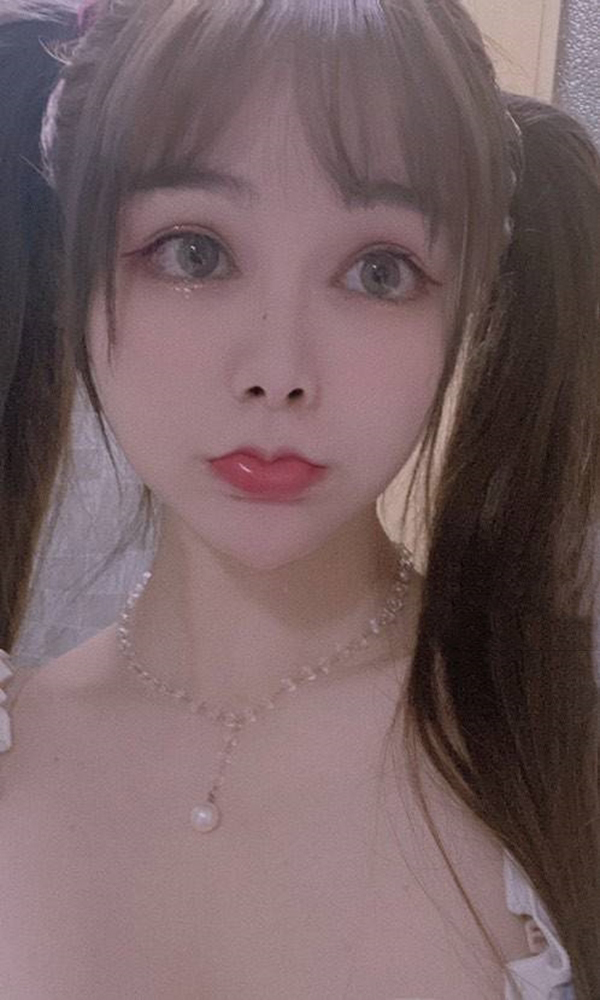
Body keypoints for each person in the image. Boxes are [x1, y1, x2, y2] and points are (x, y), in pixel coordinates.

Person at [0, 1, 598, 997]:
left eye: (378, 271)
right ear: (77, 270)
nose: (277, 371)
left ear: (474, 300)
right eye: (194, 252)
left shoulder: (561, 752)